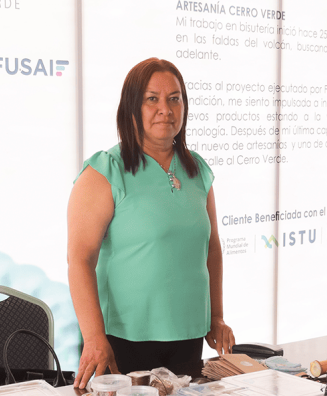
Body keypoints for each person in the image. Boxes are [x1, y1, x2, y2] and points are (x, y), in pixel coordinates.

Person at [68, 58, 235, 387]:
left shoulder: (197, 170)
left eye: (175, 98)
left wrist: (215, 316)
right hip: (123, 339)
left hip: (188, 334)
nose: (166, 109)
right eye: (152, 99)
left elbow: (211, 247)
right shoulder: (105, 171)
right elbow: (80, 258)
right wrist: (93, 337)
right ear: (131, 107)